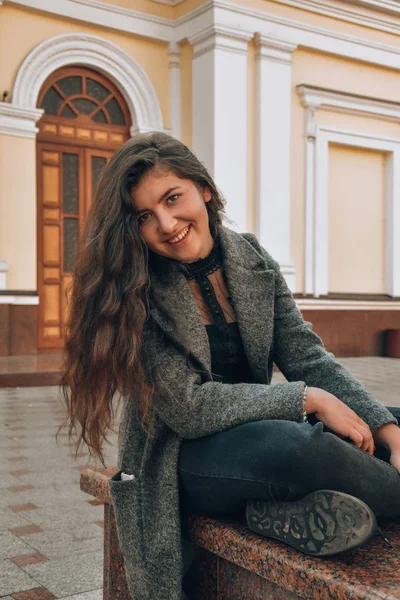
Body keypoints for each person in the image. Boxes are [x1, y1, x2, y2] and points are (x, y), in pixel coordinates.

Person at [62, 131, 400, 600]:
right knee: (302, 448)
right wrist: (306, 398)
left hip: (258, 433)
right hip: (187, 457)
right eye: (145, 216)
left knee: (392, 415)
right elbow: (188, 407)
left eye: (172, 198)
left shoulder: (253, 259)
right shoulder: (137, 293)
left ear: (203, 188)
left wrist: (386, 431)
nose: (166, 223)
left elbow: (308, 357)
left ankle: (270, 511)